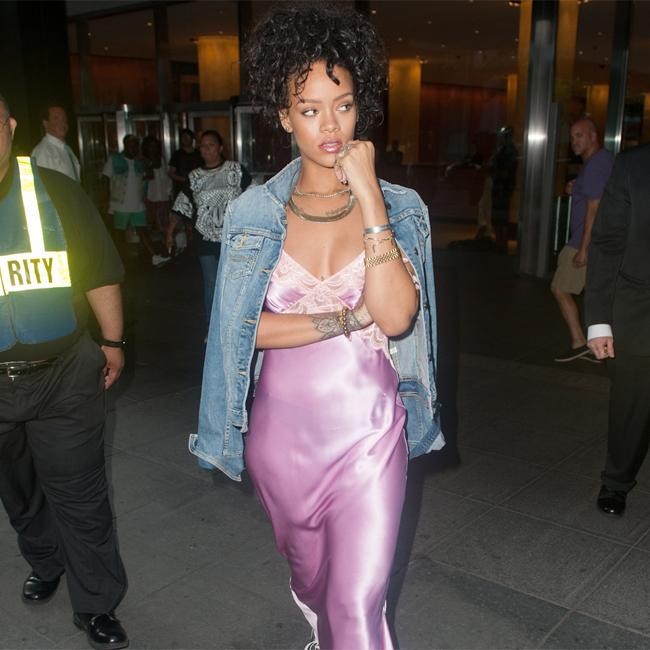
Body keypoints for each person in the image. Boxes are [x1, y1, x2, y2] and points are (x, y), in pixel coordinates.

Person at [189, 5, 443, 649]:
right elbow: (241, 332)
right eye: (309, 110)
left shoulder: (400, 208)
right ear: (284, 116)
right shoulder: (254, 212)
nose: (330, 126)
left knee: (357, 605)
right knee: (314, 585)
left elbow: (396, 316)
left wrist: (371, 198)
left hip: (371, 432)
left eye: (344, 106)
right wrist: (345, 318)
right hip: (281, 442)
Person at [0, 94, 128, 649]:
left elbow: (99, 269)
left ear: (9, 126)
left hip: (62, 375)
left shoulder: (55, 192)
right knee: (18, 489)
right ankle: (45, 561)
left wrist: (112, 341)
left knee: (81, 494)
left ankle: (97, 602)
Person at [586, 143, 650, 517]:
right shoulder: (633, 166)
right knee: (632, 406)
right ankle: (616, 481)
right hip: (639, 311)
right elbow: (607, 243)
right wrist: (599, 320)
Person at [169, 130, 251, 328]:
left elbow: (253, 196)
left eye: (211, 145)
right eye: (203, 146)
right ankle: (212, 327)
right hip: (204, 237)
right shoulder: (195, 177)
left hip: (233, 238)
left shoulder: (236, 170)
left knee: (232, 283)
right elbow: (182, 205)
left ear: (220, 148)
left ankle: (234, 326)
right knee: (211, 283)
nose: (207, 150)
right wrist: (169, 232)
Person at [552, 117, 613, 363]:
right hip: (595, 240)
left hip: (583, 240)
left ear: (593, 136)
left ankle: (580, 342)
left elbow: (594, 209)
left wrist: (583, 248)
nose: (574, 141)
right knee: (596, 293)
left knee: (559, 287)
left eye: (579, 135)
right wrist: (576, 186)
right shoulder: (600, 161)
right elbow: (596, 191)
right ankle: (602, 344)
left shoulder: (596, 164)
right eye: (572, 136)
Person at [103, 134, 169, 268]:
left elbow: (150, 176)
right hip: (120, 204)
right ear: (125, 145)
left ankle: (154, 257)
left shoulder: (139, 162)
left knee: (142, 230)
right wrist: (105, 200)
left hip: (138, 204)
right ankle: (116, 262)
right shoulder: (114, 159)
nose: (133, 148)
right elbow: (105, 178)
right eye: (130, 145)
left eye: (135, 146)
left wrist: (146, 163)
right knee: (119, 234)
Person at [31, 103, 81, 182]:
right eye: (56, 118)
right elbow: (42, 185)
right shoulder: (42, 152)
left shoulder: (67, 149)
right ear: (46, 123)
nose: (62, 123)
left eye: (64, 118)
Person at [142, 134, 172, 243]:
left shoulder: (162, 160)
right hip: (149, 198)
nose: (153, 149)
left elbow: (167, 178)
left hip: (163, 198)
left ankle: (165, 248)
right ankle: (152, 248)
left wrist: (169, 193)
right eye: (150, 146)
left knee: (164, 225)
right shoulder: (143, 161)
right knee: (150, 225)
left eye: (155, 146)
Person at [168, 128, 203, 198]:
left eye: (188, 137)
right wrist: (185, 180)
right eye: (183, 137)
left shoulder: (199, 153)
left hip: (197, 187)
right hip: (181, 188)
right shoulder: (177, 154)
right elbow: (171, 173)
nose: (185, 139)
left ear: (192, 138)